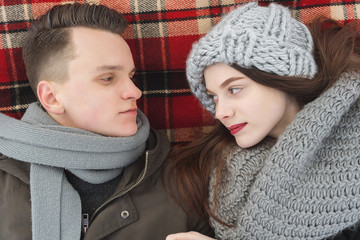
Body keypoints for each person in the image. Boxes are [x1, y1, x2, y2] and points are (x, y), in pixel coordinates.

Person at [0, 3, 214, 240]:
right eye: (108, 78)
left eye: (131, 77)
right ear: (52, 98)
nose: (135, 91)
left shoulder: (185, 179)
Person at [165, 2, 360, 240]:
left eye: (234, 89)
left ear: (284, 77)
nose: (220, 113)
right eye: (214, 97)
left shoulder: (353, 151)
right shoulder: (222, 171)